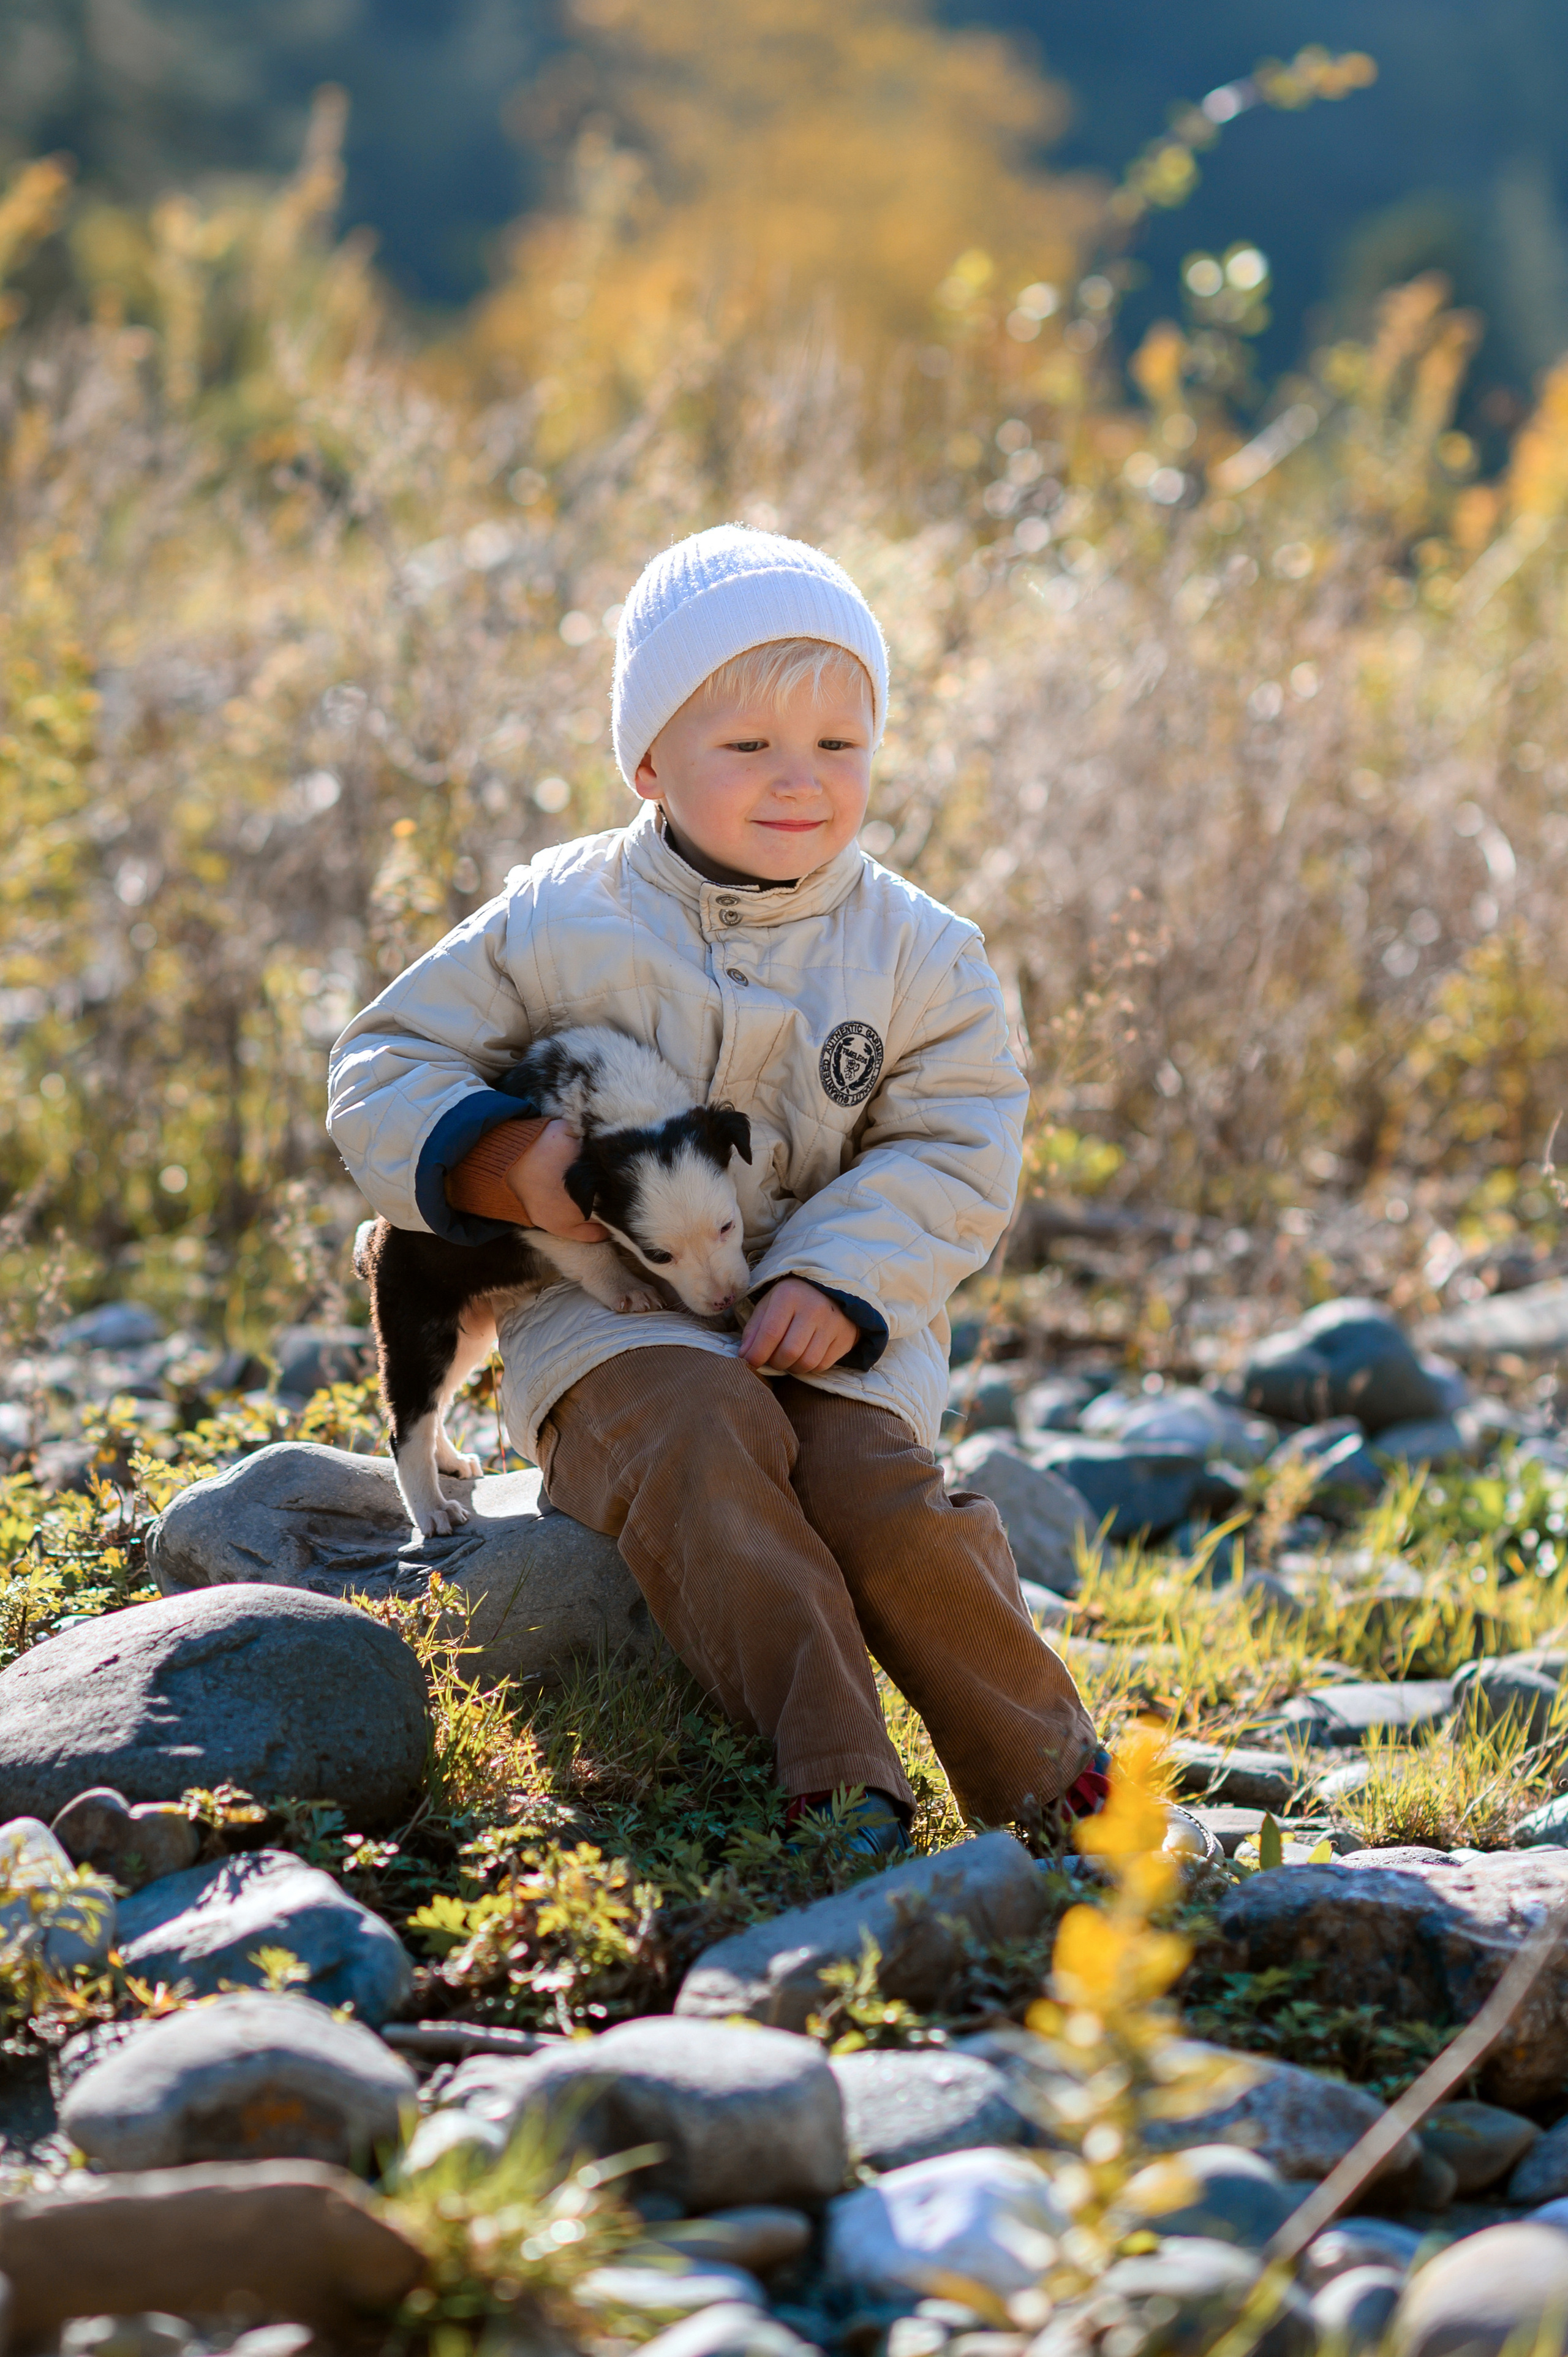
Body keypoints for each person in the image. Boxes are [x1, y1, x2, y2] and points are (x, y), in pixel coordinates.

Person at [328, 526, 1101, 1855]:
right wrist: (495, 1158)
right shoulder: (557, 915)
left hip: (831, 1321)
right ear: (646, 762)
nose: (797, 783)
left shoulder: (917, 953)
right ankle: (834, 1772)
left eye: (836, 747)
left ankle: (1050, 1775)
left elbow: (955, 1143)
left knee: (877, 1494)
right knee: (697, 1447)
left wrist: (839, 1276)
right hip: (608, 1320)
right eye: (745, 747)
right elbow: (383, 1058)